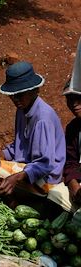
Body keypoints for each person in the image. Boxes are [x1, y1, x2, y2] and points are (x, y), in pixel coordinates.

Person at [0, 61, 66, 208]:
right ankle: (11, 194)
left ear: (34, 90)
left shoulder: (42, 118)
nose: (15, 99)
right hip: (26, 162)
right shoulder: (22, 109)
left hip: (45, 178)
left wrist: (16, 177)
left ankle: (13, 205)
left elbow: (45, 164)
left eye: (20, 94)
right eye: (13, 95)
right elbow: (20, 147)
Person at [63, 36, 81, 205]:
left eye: (78, 99)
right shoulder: (73, 128)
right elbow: (71, 162)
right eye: (70, 100)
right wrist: (74, 186)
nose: (74, 105)